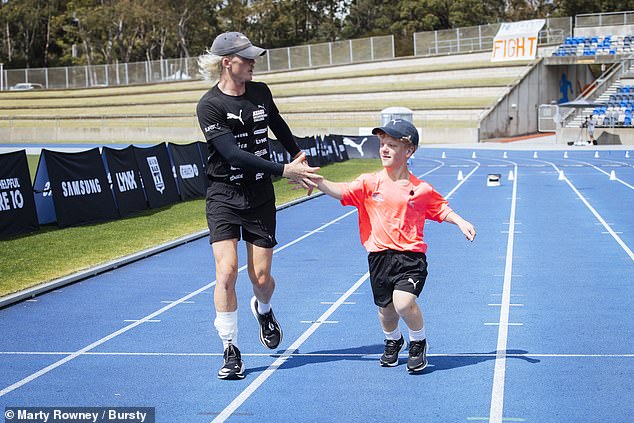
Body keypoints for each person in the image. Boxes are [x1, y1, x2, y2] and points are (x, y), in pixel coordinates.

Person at [196, 31, 322, 380]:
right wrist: (285, 169)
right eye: (246, 58)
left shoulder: (261, 92)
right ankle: (230, 348)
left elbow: (278, 125)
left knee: (261, 278)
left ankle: (263, 309)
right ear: (227, 63)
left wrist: (299, 156)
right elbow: (233, 154)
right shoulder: (209, 106)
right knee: (226, 272)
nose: (253, 62)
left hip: (260, 197)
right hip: (223, 195)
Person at [312, 119, 476, 373]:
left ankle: (418, 343)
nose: (384, 149)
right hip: (379, 258)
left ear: (408, 151)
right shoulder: (369, 183)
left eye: (392, 145)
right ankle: (393, 341)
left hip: (411, 257)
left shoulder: (420, 189)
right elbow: (342, 191)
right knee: (386, 312)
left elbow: (440, 208)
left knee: (403, 303)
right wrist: (317, 181)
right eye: (382, 144)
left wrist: (460, 221)